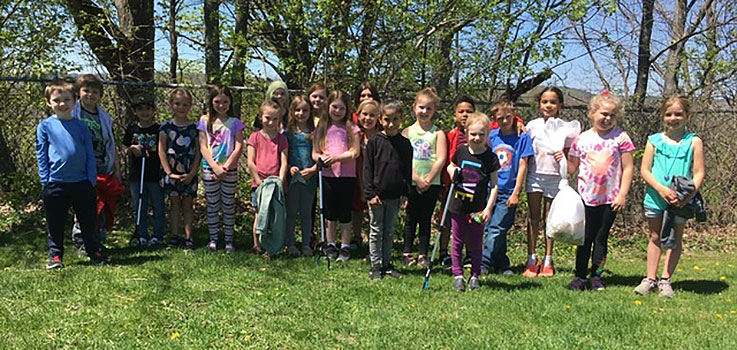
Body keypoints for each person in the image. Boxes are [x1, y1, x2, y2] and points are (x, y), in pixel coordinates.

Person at [634, 95, 705, 298]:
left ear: (686, 115)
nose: (673, 118)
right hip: (655, 198)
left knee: (675, 238)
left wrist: (687, 195)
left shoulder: (694, 141)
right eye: (669, 114)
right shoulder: (654, 141)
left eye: (678, 114)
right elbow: (645, 170)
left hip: (681, 200)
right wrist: (661, 190)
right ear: (663, 116)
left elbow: (699, 172)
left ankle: (665, 279)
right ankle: (650, 279)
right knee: (655, 236)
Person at [566, 92, 635, 291]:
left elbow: (628, 167)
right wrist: (560, 158)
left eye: (612, 115)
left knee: (601, 237)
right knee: (585, 237)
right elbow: (572, 167)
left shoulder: (621, 138)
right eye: (603, 114)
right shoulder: (582, 139)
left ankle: (596, 276)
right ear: (592, 113)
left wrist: (622, 194)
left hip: (610, 198)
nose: (607, 119)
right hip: (586, 197)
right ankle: (579, 276)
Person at [37, 81, 107, 269]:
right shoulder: (45, 126)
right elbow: (41, 153)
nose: (62, 104)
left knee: (88, 220)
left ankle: (93, 250)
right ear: (48, 103)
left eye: (67, 99)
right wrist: (45, 180)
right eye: (57, 100)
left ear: (75, 101)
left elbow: (89, 154)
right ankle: (56, 255)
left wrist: (91, 178)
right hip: (56, 183)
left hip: (82, 182)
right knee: (55, 222)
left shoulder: (81, 126)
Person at [523, 87, 575, 277]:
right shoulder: (532, 126)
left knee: (550, 219)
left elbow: (571, 160)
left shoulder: (566, 128)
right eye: (545, 101)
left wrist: (564, 158)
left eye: (553, 102)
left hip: (555, 178)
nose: (548, 105)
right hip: (535, 176)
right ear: (539, 104)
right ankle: (531, 258)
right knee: (533, 217)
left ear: (560, 105)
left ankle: (548, 259)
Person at [447, 112, 500, 291]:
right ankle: (458, 274)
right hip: (458, 206)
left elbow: (494, 186)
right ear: (466, 132)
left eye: (481, 134)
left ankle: (475, 275)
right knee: (457, 241)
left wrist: (488, 208)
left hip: (478, 209)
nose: (477, 138)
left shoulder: (490, 158)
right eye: (473, 134)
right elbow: (451, 165)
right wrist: (451, 172)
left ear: (487, 135)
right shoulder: (461, 151)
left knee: (476, 243)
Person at [481, 100, 534, 275]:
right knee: (490, 227)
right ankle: (502, 263)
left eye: (508, 117)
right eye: (500, 118)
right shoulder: (492, 136)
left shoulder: (521, 138)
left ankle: (483, 262)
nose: (504, 121)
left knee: (499, 227)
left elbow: (523, 164)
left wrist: (516, 192)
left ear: (514, 116)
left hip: (508, 190)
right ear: (494, 119)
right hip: (491, 188)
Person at [71, 74, 122, 252]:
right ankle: (80, 240)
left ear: (100, 95)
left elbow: (111, 143)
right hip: (80, 166)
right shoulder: (73, 113)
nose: (90, 95)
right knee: (83, 203)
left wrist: (115, 166)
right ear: (78, 92)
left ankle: (96, 239)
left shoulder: (104, 117)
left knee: (101, 204)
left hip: (101, 165)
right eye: (86, 91)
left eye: (94, 92)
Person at [363, 100, 412, 279]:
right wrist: (370, 194)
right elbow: (367, 170)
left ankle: (387, 263)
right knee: (376, 230)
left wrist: (406, 194)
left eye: (395, 119)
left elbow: (407, 170)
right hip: (377, 195)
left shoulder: (405, 144)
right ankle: (375, 265)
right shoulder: (375, 142)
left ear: (401, 119)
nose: (391, 124)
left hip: (395, 196)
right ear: (380, 120)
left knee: (389, 230)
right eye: (387, 119)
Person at [312, 90, 360, 262]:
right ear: (328, 106)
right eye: (334, 107)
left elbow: (355, 152)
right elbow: (315, 152)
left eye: (341, 108)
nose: (337, 111)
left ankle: (345, 246)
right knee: (329, 212)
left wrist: (337, 158)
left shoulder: (352, 128)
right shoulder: (322, 128)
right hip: (327, 176)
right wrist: (321, 159)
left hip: (346, 176)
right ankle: (330, 243)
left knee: (345, 212)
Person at [401, 87, 447, 268]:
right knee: (411, 217)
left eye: (429, 108)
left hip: (432, 184)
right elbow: (403, 160)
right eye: (421, 107)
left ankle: (423, 254)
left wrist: (428, 179)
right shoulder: (407, 132)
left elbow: (441, 158)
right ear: (414, 108)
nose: (424, 112)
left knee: (425, 218)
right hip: (412, 182)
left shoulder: (438, 133)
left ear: (434, 110)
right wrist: (417, 179)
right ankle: (406, 252)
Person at [198, 85, 245, 253]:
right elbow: (203, 146)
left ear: (230, 102)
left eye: (225, 101)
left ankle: (229, 240)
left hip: (229, 170)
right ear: (211, 102)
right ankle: (213, 239)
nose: (221, 105)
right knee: (212, 205)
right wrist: (214, 167)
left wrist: (225, 167)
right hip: (210, 169)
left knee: (228, 205)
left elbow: (239, 147)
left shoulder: (235, 123)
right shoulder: (204, 121)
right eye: (217, 101)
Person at [158, 88, 200, 250]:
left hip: (188, 172)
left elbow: (198, 153)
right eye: (177, 104)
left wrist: (192, 173)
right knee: (174, 205)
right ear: (170, 105)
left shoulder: (195, 128)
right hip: (172, 172)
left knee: (188, 205)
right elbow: (161, 150)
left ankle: (189, 237)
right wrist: (169, 172)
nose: (181, 107)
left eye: (184, 104)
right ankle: (175, 236)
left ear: (190, 106)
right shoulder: (166, 128)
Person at [123, 93, 165, 249]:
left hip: (154, 174)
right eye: (140, 109)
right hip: (137, 175)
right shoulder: (132, 129)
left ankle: (158, 236)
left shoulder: (159, 129)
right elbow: (125, 148)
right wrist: (132, 149)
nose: (144, 113)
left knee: (158, 206)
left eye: (148, 109)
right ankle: (142, 235)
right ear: (135, 111)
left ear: (153, 110)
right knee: (139, 206)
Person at [247, 100, 288, 256]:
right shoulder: (254, 137)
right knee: (259, 214)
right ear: (260, 117)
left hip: (276, 184)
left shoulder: (282, 139)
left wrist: (280, 180)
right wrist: (258, 181)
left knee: (274, 216)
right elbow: (251, 162)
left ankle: (272, 247)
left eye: (275, 119)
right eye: (267, 118)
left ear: (280, 120)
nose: (271, 122)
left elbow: (284, 162)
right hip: (259, 184)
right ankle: (257, 245)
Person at [285, 95, 318, 256]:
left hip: (309, 178)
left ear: (310, 112)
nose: (301, 113)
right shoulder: (287, 133)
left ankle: (306, 245)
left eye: (305, 110)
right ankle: (290, 244)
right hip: (292, 178)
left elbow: (320, 154)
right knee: (291, 213)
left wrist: (313, 170)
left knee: (306, 213)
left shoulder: (315, 133)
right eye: (297, 110)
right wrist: (289, 168)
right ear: (292, 112)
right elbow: (282, 155)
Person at [350, 99, 381, 250]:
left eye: (372, 115)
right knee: (357, 208)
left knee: (374, 211)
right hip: (357, 176)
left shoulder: (381, 136)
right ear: (358, 115)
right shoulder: (356, 135)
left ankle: (373, 240)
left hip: (376, 179)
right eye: (364, 114)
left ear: (378, 118)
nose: (367, 118)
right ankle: (356, 237)